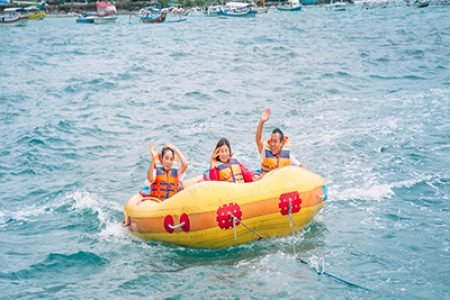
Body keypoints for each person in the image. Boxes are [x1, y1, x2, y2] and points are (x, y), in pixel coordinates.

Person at [255, 108, 302, 177]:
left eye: (275, 141)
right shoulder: (265, 153)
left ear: (281, 144)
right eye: (271, 141)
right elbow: (258, 140)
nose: (272, 144)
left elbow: (300, 166)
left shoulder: (287, 156)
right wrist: (261, 122)